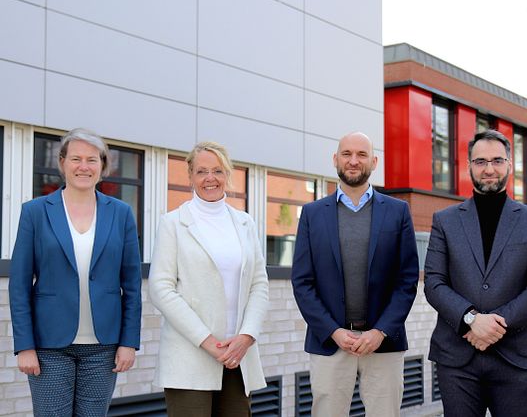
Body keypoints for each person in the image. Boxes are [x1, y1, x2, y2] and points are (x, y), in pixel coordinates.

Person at [9, 128, 142, 416]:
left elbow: (132, 286)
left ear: (103, 165)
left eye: (92, 160)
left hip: (104, 346)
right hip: (49, 346)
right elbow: (19, 284)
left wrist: (129, 342)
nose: (84, 167)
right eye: (76, 159)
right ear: (62, 163)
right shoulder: (35, 211)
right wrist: (25, 346)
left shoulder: (120, 213)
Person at [424, 129, 527, 417]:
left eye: (497, 161)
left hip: (515, 357)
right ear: (469, 166)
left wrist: (495, 325)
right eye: (480, 161)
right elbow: (434, 283)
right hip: (457, 359)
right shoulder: (445, 220)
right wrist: (471, 320)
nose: (489, 169)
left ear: (509, 165)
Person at [291, 131, 419, 417]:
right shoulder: (312, 214)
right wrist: (333, 331)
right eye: (347, 154)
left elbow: (407, 280)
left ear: (374, 162)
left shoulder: (398, 212)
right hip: (330, 342)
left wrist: (380, 331)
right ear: (335, 160)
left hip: (383, 343)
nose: (353, 161)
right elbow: (302, 282)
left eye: (361, 155)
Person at [148, 141, 269, 417]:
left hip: (239, 359)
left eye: (217, 170)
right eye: (202, 171)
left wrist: (246, 337)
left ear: (227, 174)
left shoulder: (245, 223)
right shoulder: (173, 223)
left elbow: (259, 285)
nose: (210, 178)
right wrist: (210, 343)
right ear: (190, 175)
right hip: (189, 358)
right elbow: (161, 289)